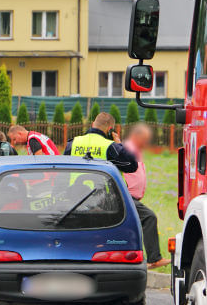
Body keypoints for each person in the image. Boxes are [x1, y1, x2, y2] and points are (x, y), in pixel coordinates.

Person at [124, 123, 170, 268]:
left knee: (130, 227)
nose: (146, 143)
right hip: (126, 196)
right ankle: (154, 258)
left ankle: (130, 260)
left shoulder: (134, 149)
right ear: (136, 136)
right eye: (144, 139)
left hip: (131, 197)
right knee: (149, 217)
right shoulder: (127, 148)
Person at [64, 112, 138, 173]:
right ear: (110, 130)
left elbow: (63, 167)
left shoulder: (72, 143)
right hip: (101, 190)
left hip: (74, 189)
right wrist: (119, 144)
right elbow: (132, 165)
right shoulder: (110, 147)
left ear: (93, 124)